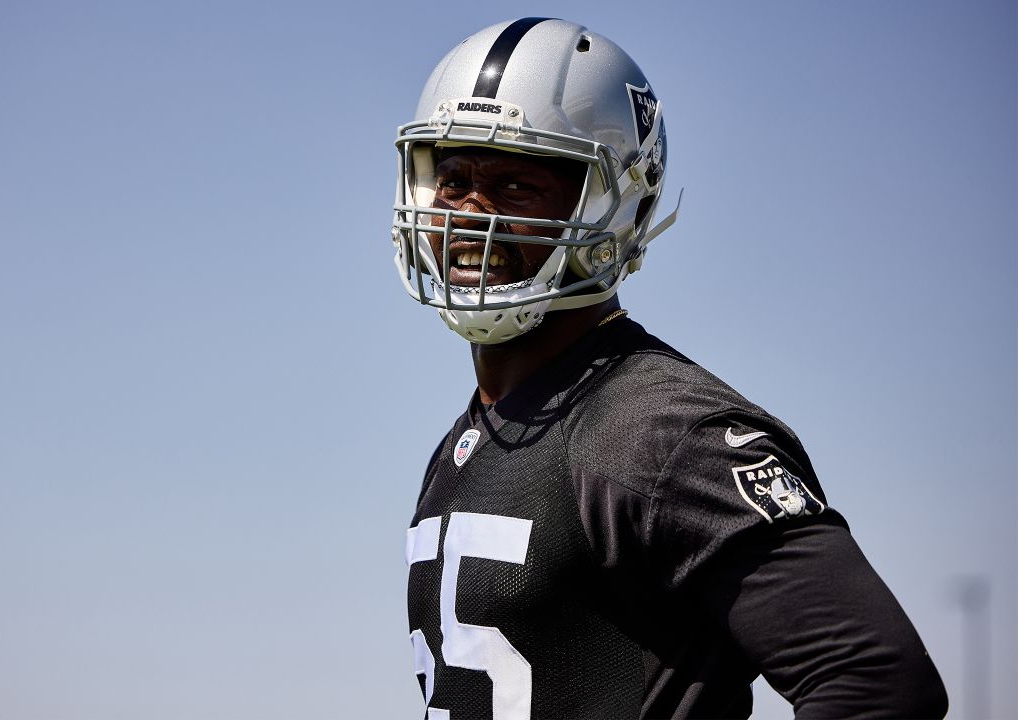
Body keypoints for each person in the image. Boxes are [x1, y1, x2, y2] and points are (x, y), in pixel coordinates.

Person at [391, 18, 947, 719]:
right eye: (454, 179)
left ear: (614, 209)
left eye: (514, 184)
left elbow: (875, 681)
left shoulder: (661, 430)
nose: (470, 212)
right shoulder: (472, 437)